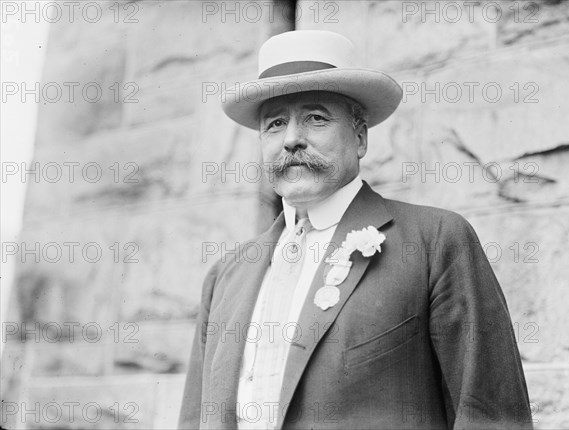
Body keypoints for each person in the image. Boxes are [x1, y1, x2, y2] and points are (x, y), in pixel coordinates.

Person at [179, 30, 532, 430]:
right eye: (275, 124)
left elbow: (492, 415)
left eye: (315, 118)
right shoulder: (226, 276)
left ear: (360, 136)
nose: (292, 139)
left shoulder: (435, 241)